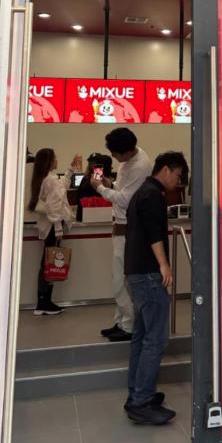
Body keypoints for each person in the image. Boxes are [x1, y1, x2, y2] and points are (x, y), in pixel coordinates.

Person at [123, 151, 188, 425]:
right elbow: (153, 233)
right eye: (177, 175)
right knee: (156, 339)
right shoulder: (152, 195)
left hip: (136, 273)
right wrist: (164, 264)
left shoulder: (142, 192)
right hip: (149, 274)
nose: (178, 181)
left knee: (141, 336)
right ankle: (141, 401)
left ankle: (137, 393)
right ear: (165, 169)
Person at [91, 128, 152, 342]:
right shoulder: (128, 160)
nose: (113, 157)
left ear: (126, 152)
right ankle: (122, 322)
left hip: (129, 229)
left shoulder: (140, 165)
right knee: (120, 280)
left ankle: (128, 326)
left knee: (121, 281)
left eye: (115, 154)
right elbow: (124, 190)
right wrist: (111, 185)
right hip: (120, 226)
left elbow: (126, 200)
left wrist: (100, 188)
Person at [28, 148, 82, 315]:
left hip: (48, 227)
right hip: (53, 228)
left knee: (47, 262)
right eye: (55, 157)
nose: (57, 160)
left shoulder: (45, 179)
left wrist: (70, 169)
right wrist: (58, 226)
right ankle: (44, 302)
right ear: (49, 161)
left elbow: (62, 186)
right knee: (50, 263)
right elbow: (55, 206)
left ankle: (43, 301)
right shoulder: (50, 180)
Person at [76, 153, 112, 222]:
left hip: (99, 212)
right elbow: (79, 195)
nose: (92, 164)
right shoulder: (85, 178)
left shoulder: (105, 178)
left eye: (95, 162)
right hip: (84, 211)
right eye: (91, 162)